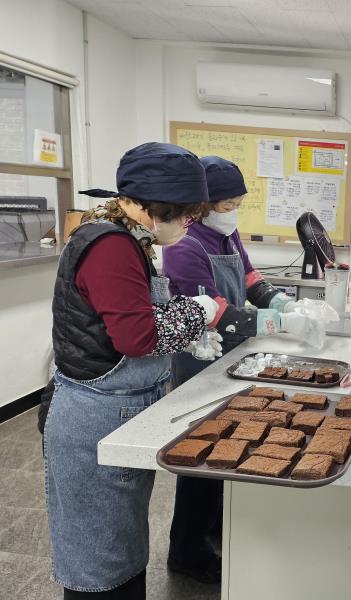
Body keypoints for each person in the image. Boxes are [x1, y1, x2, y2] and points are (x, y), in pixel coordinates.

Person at [46, 142, 221, 599]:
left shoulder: (130, 240)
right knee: (100, 565)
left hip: (122, 410)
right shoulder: (110, 248)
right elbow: (136, 337)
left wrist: (186, 320)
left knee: (123, 549)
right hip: (95, 421)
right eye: (185, 214)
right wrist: (199, 312)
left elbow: (130, 315)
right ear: (151, 206)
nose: (188, 224)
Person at [161, 156, 326, 582]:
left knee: (231, 443)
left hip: (233, 353)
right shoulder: (184, 245)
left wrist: (284, 302)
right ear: (203, 205)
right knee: (201, 451)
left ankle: (216, 531)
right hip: (200, 357)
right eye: (226, 204)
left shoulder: (228, 235)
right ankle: (188, 550)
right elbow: (214, 312)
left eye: (237, 203)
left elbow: (252, 279)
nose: (232, 212)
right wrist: (282, 324)